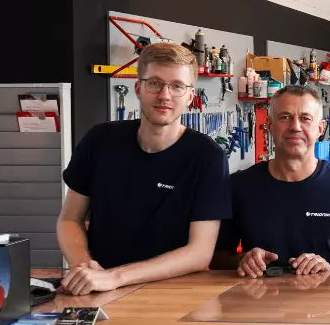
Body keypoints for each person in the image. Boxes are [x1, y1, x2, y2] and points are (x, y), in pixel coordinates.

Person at [56, 43, 230, 295]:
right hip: (99, 289)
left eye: (177, 86)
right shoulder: (100, 140)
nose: (165, 95)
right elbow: (70, 219)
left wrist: (116, 277)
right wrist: (83, 265)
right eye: (155, 83)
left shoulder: (207, 157)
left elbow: (199, 253)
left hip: (175, 293)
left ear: (190, 96)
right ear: (138, 88)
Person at [213, 85, 330, 278]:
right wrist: (243, 261)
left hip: (327, 305)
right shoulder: (238, 186)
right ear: (269, 125)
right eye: (285, 117)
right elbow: (217, 258)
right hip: (259, 304)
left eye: (305, 118)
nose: (295, 127)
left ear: (320, 128)